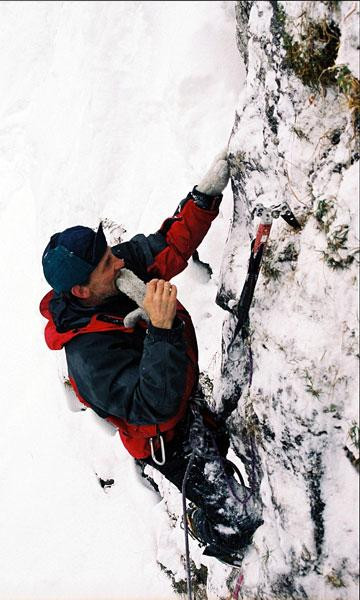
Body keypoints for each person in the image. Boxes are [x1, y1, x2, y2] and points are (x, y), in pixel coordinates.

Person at [40, 151, 263, 565]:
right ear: (82, 292)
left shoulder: (113, 275)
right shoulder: (89, 360)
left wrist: (203, 198)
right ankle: (215, 535)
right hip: (166, 440)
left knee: (223, 443)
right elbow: (151, 404)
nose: (120, 260)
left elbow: (167, 247)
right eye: (108, 262)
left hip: (183, 396)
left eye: (112, 252)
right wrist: (161, 331)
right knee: (241, 516)